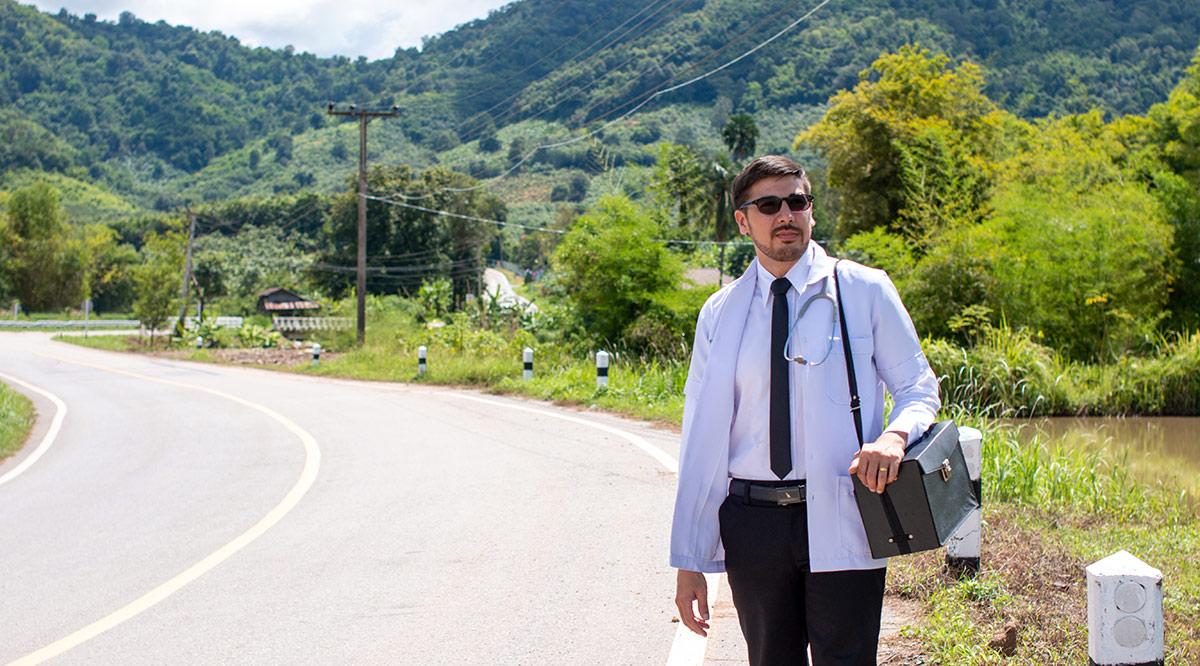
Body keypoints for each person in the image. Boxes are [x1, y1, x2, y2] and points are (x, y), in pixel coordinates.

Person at [670, 155, 940, 665]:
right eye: (768, 205)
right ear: (743, 221)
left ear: (811, 212)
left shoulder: (863, 289)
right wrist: (690, 560)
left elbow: (918, 388)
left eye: (797, 201)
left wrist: (894, 437)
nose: (785, 215)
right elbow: (702, 441)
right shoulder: (720, 313)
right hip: (753, 524)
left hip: (844, 509)